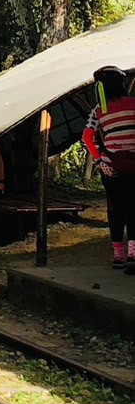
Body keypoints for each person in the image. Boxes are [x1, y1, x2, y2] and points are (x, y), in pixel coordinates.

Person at [83, 66, 135, 272]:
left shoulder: (97, 111)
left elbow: (87, 137)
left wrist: (100, 160)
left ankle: (118, 256)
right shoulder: (133, 104)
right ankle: (133, 255)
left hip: (111, 166)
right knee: (134, 209)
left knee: (115, 209)